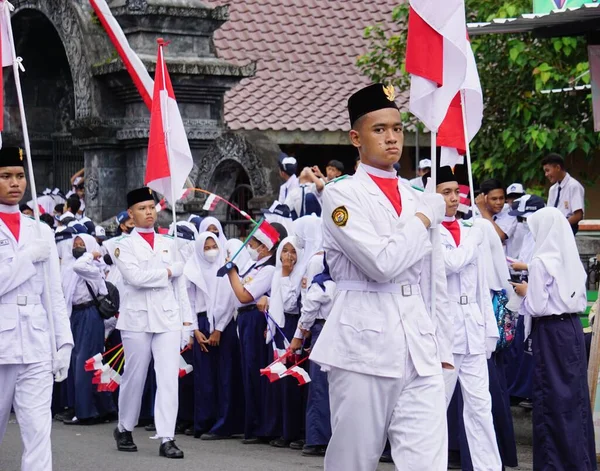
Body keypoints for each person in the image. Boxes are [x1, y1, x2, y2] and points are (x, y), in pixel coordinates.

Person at [310, 83, 452, 470]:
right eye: (379, 129)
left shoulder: (413, 193)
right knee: (354, 460)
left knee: (427, 462)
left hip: (418, 344)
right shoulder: (342, 196)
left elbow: (432, 277)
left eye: (397, 128)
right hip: (363, 344)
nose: (391, 137)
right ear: (356, 137)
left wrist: (443, 346)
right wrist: (424, 217)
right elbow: (382, 263)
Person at [0, 146, 73, 471]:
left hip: (37, 341)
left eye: (19, 176)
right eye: (5, 177)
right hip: (1, 345)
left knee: (39, 432)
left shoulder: (41, 230)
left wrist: (63, 342)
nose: (14, 183)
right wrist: (25, 258)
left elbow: (53, 294)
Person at [510, 207, 596, 470]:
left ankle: (555, 464)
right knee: (574, 399)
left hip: (550, 332)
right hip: (570, 330)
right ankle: (579, 461)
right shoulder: (569, 259)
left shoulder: (540, 262)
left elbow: (536, 306)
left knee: (551, 399)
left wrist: (524, 291)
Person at [111, 187, 193, 459]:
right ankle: (124, 426)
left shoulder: (170, 243)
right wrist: (169, 271)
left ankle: (167, 437)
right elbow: (135, 277)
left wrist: (186, 323)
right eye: (142, 208)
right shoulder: (121, 245)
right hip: (136, 319)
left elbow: (180, 287)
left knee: (168, 377)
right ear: (131, 215)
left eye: (151, 207)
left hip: (168, 317)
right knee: (135, 377)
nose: (148, 212)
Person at [436, 166, 502, 471]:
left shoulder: (470, 229)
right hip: (444, 332)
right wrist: (474, 241)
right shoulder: (429, 230)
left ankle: (488, 467)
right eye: (445, 192)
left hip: (472, 325)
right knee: (436, 406)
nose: (453, 198)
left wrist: (490, 331)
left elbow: (481, 284)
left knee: (480, 406)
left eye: (456, 192)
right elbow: (449, 264)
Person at [223, 220, 283, 444]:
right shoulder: (254, 266)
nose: (250, 246)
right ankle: (253, 424)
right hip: (245, 319)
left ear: (265, 247)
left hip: (256, 320)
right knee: (248, 371)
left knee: (255, 370)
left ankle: (261, 426)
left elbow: (244, 295)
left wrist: (232, 274)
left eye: (254, 243)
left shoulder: (268, 269)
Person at [184, 232, 244, 439]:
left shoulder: (225, 268)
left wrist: (218, 328)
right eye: (206, 247)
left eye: (213, 246)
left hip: (224, 325)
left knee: (225, 375)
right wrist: (194, 329)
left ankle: (224, 423)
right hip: (201, 324)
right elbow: (188, 300)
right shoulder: (192, 269)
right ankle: (204, 421)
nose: (211, 251)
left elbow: (229, 299)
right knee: (204, 377)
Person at [60, 234, 116, 425]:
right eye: (75, 244)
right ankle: (102, 407)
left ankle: (87, 412)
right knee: (81, 363)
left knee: (86, 362)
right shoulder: (68, 268)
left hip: (89, 315)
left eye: (82, 244)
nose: (77, 247)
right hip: (74, 316)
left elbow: (80, 266)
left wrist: (92, 254)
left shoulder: (91, 268)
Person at [261, 236, 307, 448]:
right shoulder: (277, 273)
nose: (288, 255)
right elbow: (277, 301)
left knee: (292, 383)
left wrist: (287, 275)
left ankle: (295, 432)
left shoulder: (299, 275)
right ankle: (281, 429)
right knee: (280, 382)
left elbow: (290, 304)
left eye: (293, 251)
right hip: (279, 329)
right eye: (284, 250)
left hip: (292, 328)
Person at [542, 153, 585, 234]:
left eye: (548, 170)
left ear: (558, 167)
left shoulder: (573, 186)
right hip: (554, 230)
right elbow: (549, 213)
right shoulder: (553, 189)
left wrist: (560, 227)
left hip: (568, 228)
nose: (546, 174)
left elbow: (578, 215)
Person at [475, 179, 517, 251]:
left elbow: (499, 237)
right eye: (494, 199)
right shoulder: (474, 212)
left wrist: (484, 211)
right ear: (484, 198)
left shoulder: (510, 214)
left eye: (501, 198)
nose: (499, 202)